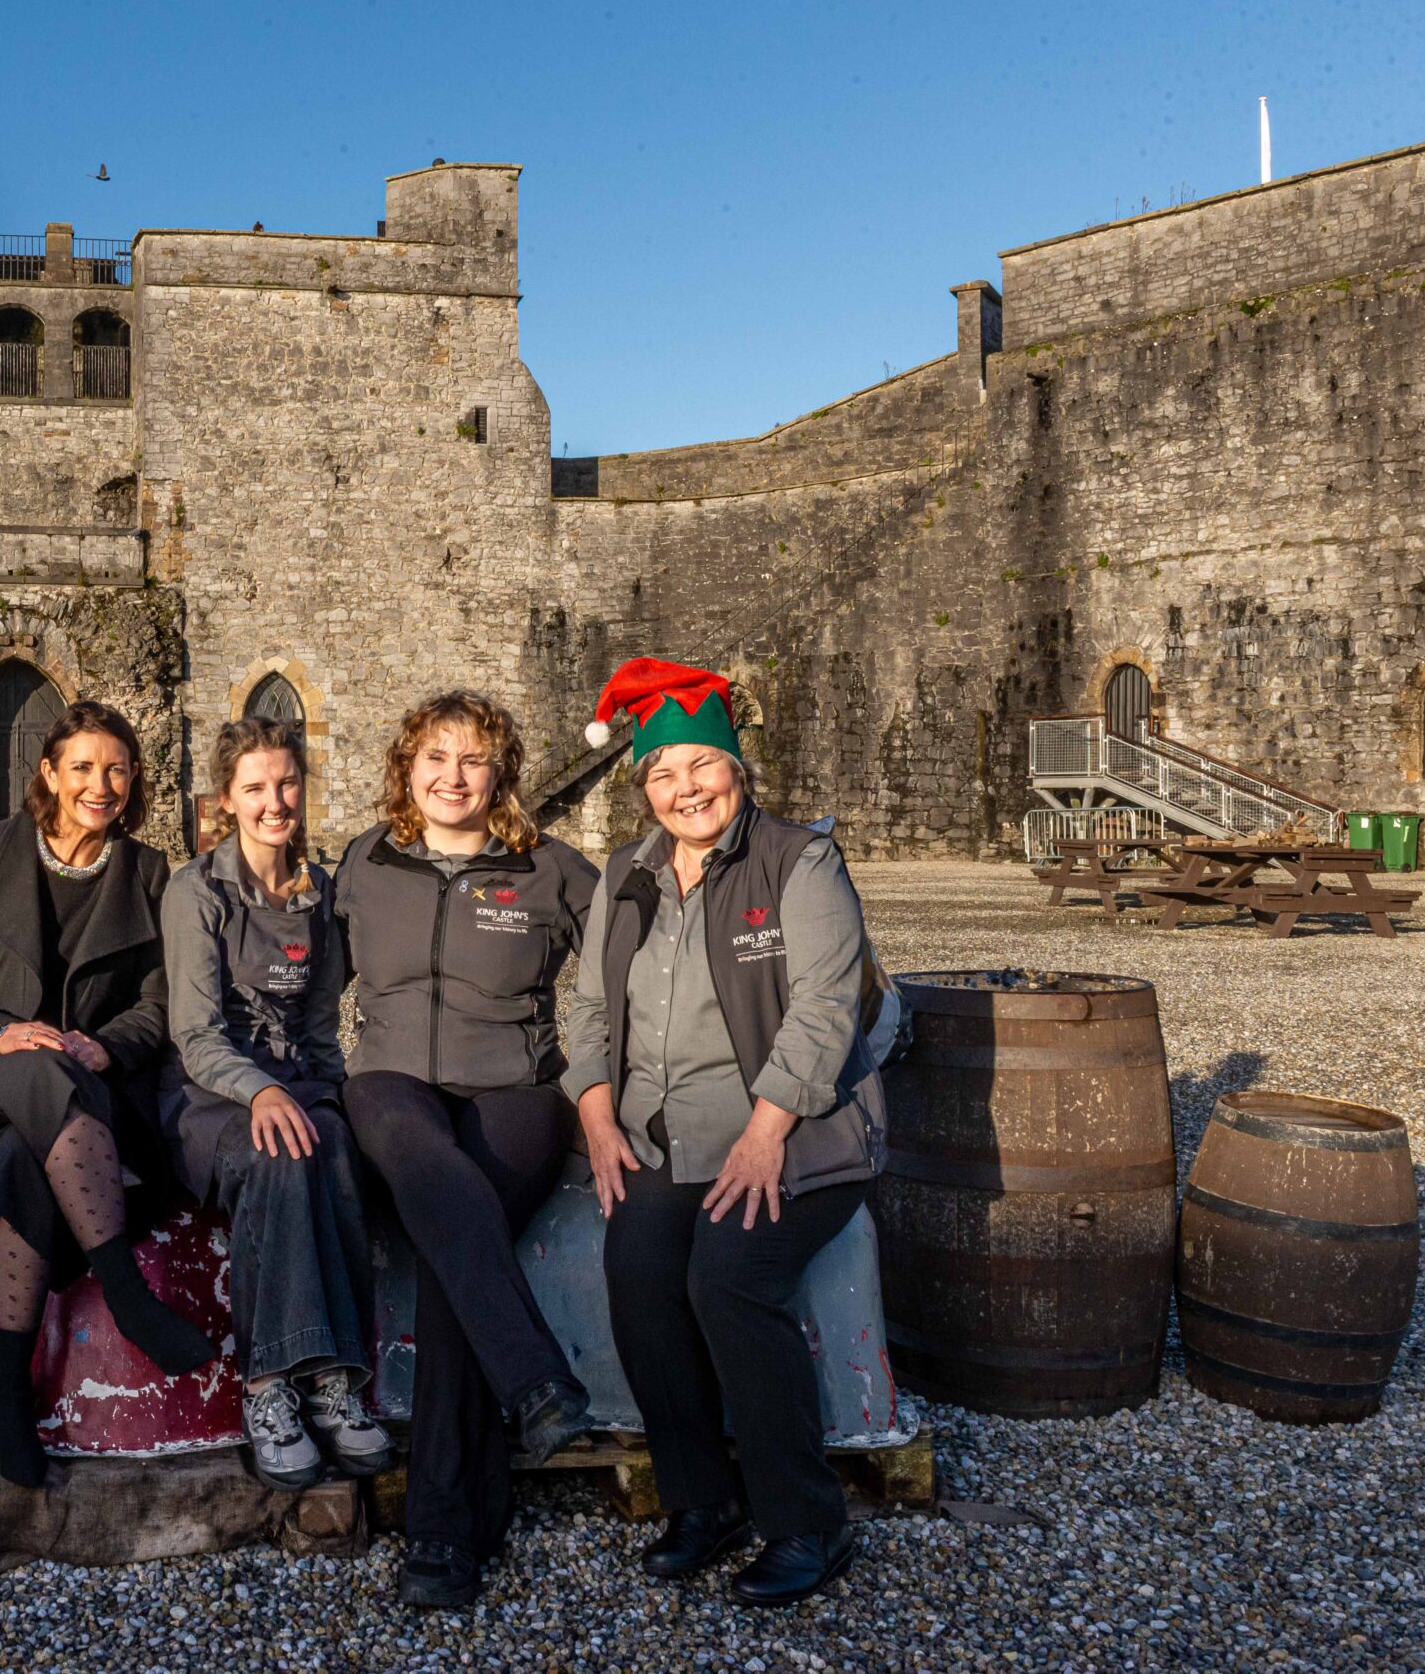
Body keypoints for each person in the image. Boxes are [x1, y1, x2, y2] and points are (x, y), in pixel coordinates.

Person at [560, 657, 885, 1607]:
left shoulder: (799, 858)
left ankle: (805, 1522)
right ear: (644, 786)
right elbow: (584, 1010)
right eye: (662, 773)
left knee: (728, 1278)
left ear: (736, 769)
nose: (684, 788)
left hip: (798, 1134)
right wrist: (594, 1113)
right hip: (665, 1139)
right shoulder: (625, 872)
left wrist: (767, 1127)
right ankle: (703, 1501)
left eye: (701, 765)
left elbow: (828, 1005)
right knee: (639, 1270)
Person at [0, 700, 214, 1489]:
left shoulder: (146, 871)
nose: (99, 785)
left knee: (21, 1170)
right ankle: (129, 1296)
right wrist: (2, 1033)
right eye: (82, 767)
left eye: (115, 768)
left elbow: (157, 1005)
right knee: (36, 1068)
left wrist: (105, 1045)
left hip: (95, 1094)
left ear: (135, 777)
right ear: (48, 772)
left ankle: (7, 1389)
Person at [333, 690, 601, 1609]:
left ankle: (448, 1537)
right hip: (391, 1086)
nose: (453, 776)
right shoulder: (363, 863)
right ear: (407, 767)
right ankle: (533, 1380)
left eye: (474, 759)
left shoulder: (553, 871)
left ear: (502, 774)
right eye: (436, 756)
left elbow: (631, 979)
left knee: (455, 1249)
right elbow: (289, 977)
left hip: (513, 1096)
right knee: (433, 1175)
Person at [158, 717, 390, 1490]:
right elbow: (193, 1031)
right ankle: (268, 1385)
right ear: (227, 799)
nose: (274, 801)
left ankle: (337, 1379)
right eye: (255, 787)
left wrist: (340, 1098)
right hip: (208, 1096)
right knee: (280, 1156)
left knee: (340, 1150)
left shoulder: (319, 894)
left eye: (286, 782)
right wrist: (257, 1090)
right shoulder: (196, 891)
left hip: (297, 1080)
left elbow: (321, 1024)